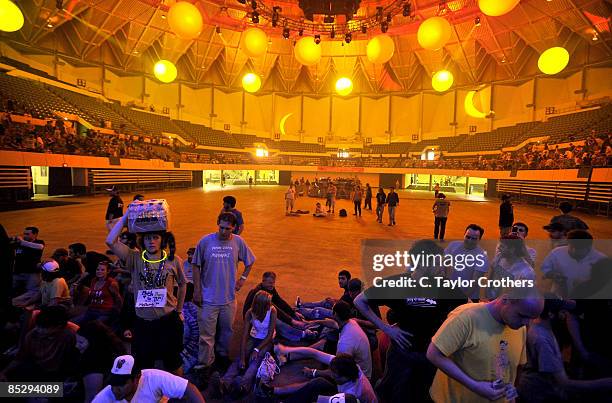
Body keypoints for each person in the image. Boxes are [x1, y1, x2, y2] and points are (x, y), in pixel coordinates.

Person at [354, 240, 467, 402]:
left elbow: (467, 309)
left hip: (431, 355)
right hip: (402, 354)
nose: (442, 267)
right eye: (437, 262)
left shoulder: (446, 286)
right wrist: (386, 329)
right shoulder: (398, 284)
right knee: (395, 395)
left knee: (425, 395)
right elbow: (359, 301)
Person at [426, 292, 544, 403]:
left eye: (531, 318)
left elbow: (517, 366)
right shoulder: (466, 318)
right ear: (506, 299)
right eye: (522, 315)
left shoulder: (520, 328)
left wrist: (512, 392)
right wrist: (475, 385)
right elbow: (433, 354)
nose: (526, 323)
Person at [106, 215, 187, 374]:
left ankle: (176, 396)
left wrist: (179, 310)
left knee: (173, 362)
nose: (151, 241)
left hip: (167, 321)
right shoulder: (134, 258)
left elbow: (183, 284)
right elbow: (110, 241)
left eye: (155, 237)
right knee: (144, 364)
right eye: (147, 238)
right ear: (142, 241)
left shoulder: (173, 260)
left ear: (162, 240)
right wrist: (126, 217)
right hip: (143, 323)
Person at [192, 212, 255, 373]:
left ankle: (221, 356)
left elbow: (250, 261)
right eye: (221, 228)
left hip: (228, 299)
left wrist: (242, 279)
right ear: (217, 224)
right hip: (208, 298)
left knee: (227, 331)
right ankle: (205, 364)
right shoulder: (205, 242)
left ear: (234, 228)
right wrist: (197, 290)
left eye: (228, 229)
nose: (223, 232)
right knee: (206, 335)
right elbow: (196, 265)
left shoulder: (238, 242)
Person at [517, 296, 612, 403]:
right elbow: (563, 383)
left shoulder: (541, 328)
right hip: (538, 396)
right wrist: (604, 383)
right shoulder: (542, 339)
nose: (565, 316)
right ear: (551, 314)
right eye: (562, 313)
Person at [0, 306, 79, 382]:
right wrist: (4, 372)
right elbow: (21, 357)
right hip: (35, 367)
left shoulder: (68, 336)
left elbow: (68, 358)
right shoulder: (32, 335)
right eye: (38, 326)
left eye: (44, 328)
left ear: (58, 327)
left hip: (55, 373)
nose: (38, 330)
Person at [220, 290, 277, 397]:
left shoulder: (272, 311)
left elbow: (270, 335)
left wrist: (256, 349)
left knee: (255, 360)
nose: (270, 305)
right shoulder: (250, 313)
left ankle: (243, 386)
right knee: (240, 358)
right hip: (253, 336)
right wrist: (242, 357)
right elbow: (244, 336)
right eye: (268, 303)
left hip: (266, 340)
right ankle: (224, 382)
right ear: (261, 305)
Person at [266, 351, 377, 403]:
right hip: (341, 393)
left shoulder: (351, 394)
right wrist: (314, 372)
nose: (332, 376)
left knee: (313, 396)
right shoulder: (351, 367)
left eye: (335, 375)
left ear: (344, 377)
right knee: (318, 382)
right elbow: (316, 354)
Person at [92, 355, 205, 402]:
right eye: (113, 383)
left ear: (137, 378)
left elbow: (188, 388)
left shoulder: (153, 377)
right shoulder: (106, 395)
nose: (116, 389)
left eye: (122, 384)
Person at [244, 272, 317, 342]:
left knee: (290, 312)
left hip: (264, 312)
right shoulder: (260, 293)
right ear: (263, 281)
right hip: (254, 318)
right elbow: (275, 309)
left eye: (273, 283)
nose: (272, 285)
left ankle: (303, 326)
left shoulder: (269, 288)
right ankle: (301, 335)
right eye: (270, 283)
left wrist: (293, 313)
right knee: (277, 322)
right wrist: (292, 321)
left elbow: (279, 301)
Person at [541, 230, 606, 298]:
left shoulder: (601, 260)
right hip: (559, 298)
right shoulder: (556, 253)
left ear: (589, 247)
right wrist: (552, 274)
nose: (574, 251)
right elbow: (545, 269)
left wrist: (588, 284)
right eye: (571, 247)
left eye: (579, 248)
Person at [77, 320, 127, 403]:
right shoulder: (109, 352)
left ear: (93, 342)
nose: (76, 345)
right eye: (76, 341)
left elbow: (92, 397)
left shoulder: (93, 362)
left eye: (81, 342)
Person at [445, 224, 489, 302]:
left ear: (479, 239)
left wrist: (462, 298)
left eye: (474, 239)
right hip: (452, 291)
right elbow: (444, 263)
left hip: (469, 297)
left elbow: (475, 282)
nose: (470, 241)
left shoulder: (482, 256)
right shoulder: (453, 245)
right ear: (464, 235)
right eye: (467, 237)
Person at [487, 234, 537, 300]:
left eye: (502, 246)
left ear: (512, 249)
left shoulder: (527, 272)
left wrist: (496, 269)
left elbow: (515, 298)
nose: (498, 248)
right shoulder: (499, 260)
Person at [75, 261, 123, 326]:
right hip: (91, 310)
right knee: (74, 322)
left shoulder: (111, 283)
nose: (99, 271)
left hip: (104, 312)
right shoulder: (93, 280)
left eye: (102, 270)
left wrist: (119, 313)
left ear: (108, 271)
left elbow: (118, 298)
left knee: (94, 326)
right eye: (98, 269)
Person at [12, 226, 45, 298]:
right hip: (18, 272)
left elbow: (40, 247)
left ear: (35, 234)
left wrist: (22, 242)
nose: (24, 236)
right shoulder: (19, 243)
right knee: (13, 291)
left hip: (32, 273)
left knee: (32, 292)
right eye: (24, 234)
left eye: (27, 234)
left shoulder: (39, 243)